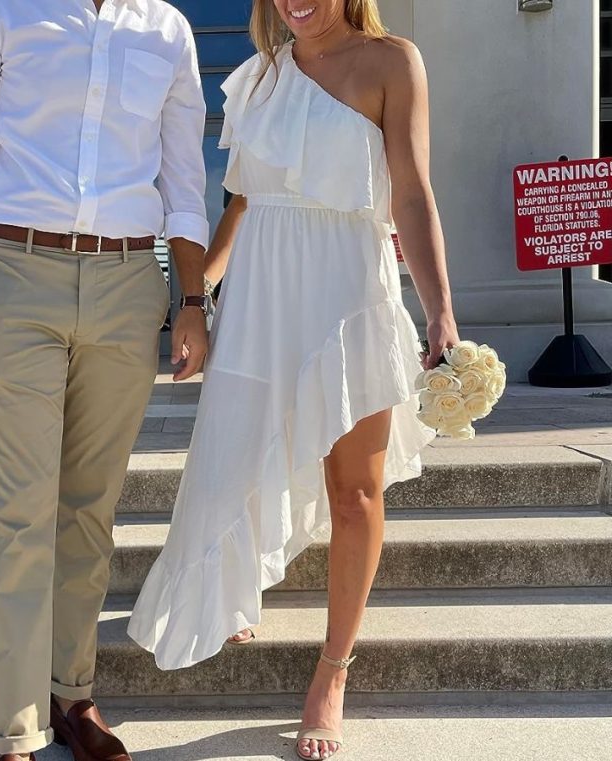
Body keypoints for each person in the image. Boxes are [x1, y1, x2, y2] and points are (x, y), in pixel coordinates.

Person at [128, 1, 458, 759]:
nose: (292, 1)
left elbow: (410, 191)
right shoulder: (258, 78)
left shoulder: (392, 62)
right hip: (261, 302)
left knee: (356, 490)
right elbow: (241, 201)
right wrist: (194, 301)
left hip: (348, 294)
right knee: (235, 458)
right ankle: (236, 579)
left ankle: (333, 672)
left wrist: (440, 309)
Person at [0, 1, 210, 759]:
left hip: (127, 282)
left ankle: (71, 692)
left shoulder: (167, 29)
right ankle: (13, 728)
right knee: (18, 512)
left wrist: (191, 299)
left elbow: (184, 176)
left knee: (88, 508)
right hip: (17, 275)